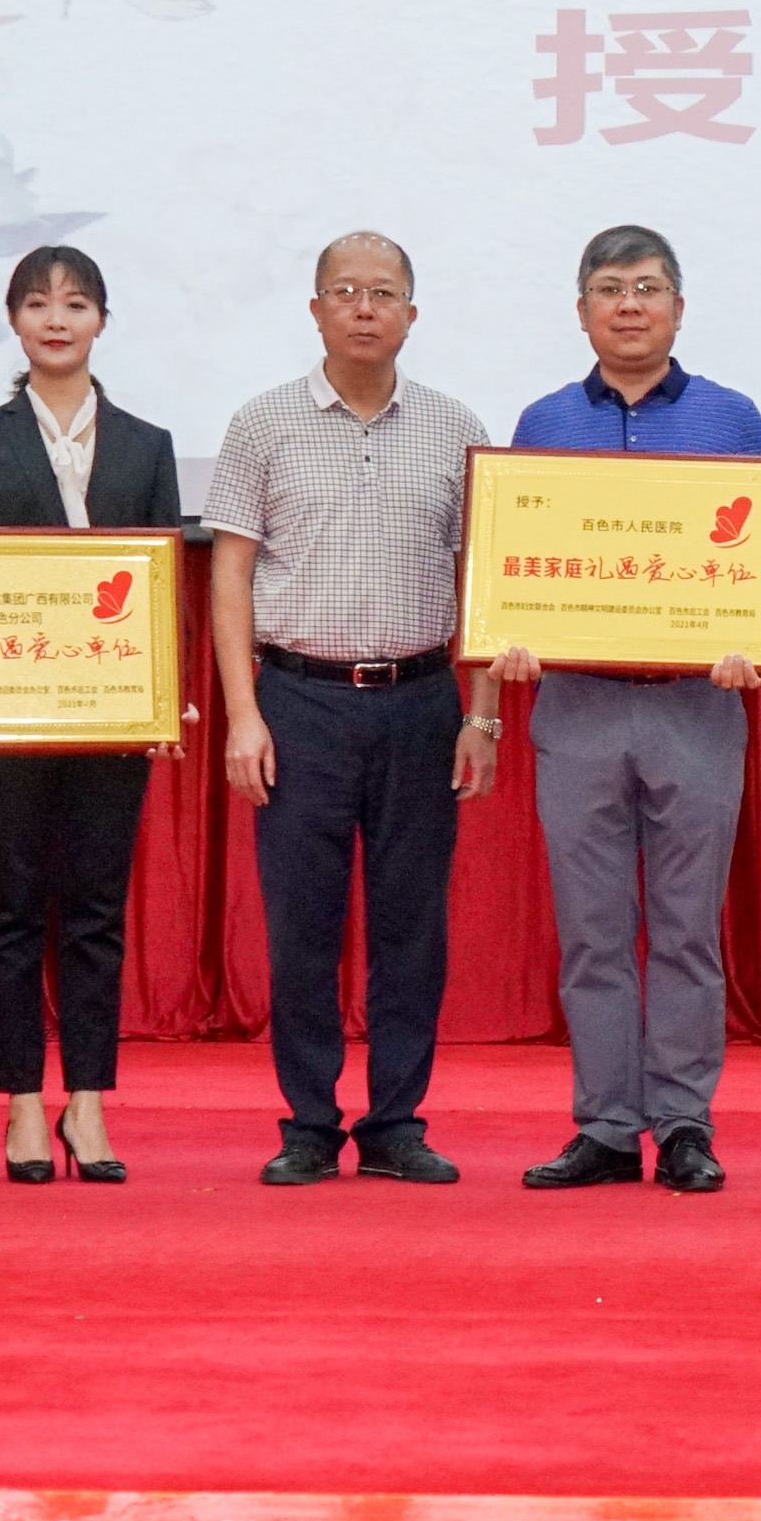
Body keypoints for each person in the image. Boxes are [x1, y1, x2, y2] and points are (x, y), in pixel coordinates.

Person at [199, 230, 493, 1188]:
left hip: (421, 701)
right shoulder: (262, 423)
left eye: (383, 293)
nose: (364, 308)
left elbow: (484, 581)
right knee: (303, 928)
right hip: (299, 702)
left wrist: (481, 713)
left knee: (413, 929)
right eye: (345, 291)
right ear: (316, 309)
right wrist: (243, 714)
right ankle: (310, 1125)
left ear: (412, 313)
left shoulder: (455, 426)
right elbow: (230, 575)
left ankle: (397, 1123)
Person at [499, 225, 761, 1197]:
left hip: (695, 708)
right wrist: (510, 637)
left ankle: (685, 1124)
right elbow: (511, 564)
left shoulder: (731, 419)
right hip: (576, 707)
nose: (629, 304)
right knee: (592, 932)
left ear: (678, 308)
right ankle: (608, 1127)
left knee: (688, 929)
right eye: (610, 288)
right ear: (582, 310)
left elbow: (758, 566)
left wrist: (756, 635)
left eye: (648, 287)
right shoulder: (541, 423)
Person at [0, 244, 181, 1187]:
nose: (56, 319)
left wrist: (160, 702)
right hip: (7, 713)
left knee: (94, 910)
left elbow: (162, 587)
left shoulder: (148, 443)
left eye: (76, 304)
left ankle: (88, 1101)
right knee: (11, 907)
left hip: (111, 714)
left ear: (101, 322)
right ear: (14, 321)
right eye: (37, 304)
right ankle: (21, 1104)